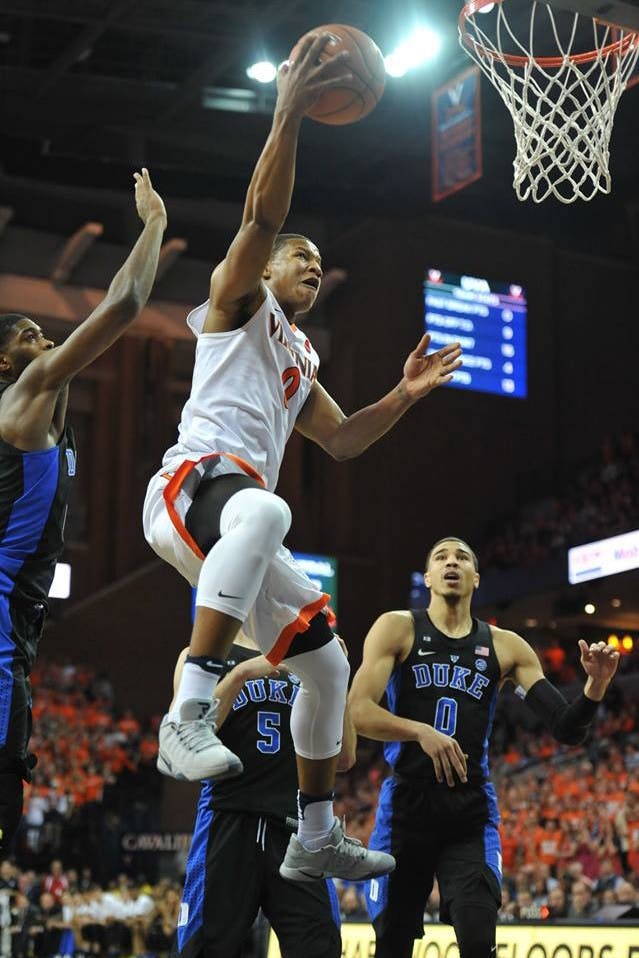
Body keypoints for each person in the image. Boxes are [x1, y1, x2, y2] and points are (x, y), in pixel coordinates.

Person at [142, 33, 461, 883]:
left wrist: (404, 395)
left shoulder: (300, 357)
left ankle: (313, 833)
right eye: (301, 259)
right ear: (265, 271)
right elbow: (259, 219)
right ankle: (187, 711)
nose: (313, 268)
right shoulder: (236, 302)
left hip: (238, 521)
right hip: (191, 486)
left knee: (328, 663)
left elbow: (343, 439)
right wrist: (287, 112)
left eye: (320, 265)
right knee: (268, 508)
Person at [0, 168, 167, 856]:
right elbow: (124, 304)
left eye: (45, 333)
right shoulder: (25, 395)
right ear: (4, 361)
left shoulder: (49, 421)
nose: (43, 341)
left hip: (19, 621)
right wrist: (154, 224)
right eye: (28, 334)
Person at [348, 536, 619, 958]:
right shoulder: (397, 627)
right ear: (428, 577)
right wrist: (420, 732)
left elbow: (567, 728)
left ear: (475, 578)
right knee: (393, 944)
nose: (451, 562)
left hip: (469, 811)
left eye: (462, 558)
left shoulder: (506, 646)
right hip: (406, 806)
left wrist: (595, 687)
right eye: (441, 557)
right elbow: (359, 711)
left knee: (478, 940)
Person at [173, 631, 353, 958]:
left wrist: (338, 676)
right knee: (203, 949)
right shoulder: (203, 654)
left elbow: (344, 758)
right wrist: (241, 674)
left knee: (321, 947)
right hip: (228, 821)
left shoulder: (311, 655)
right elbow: (183, 742)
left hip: (297, 827)